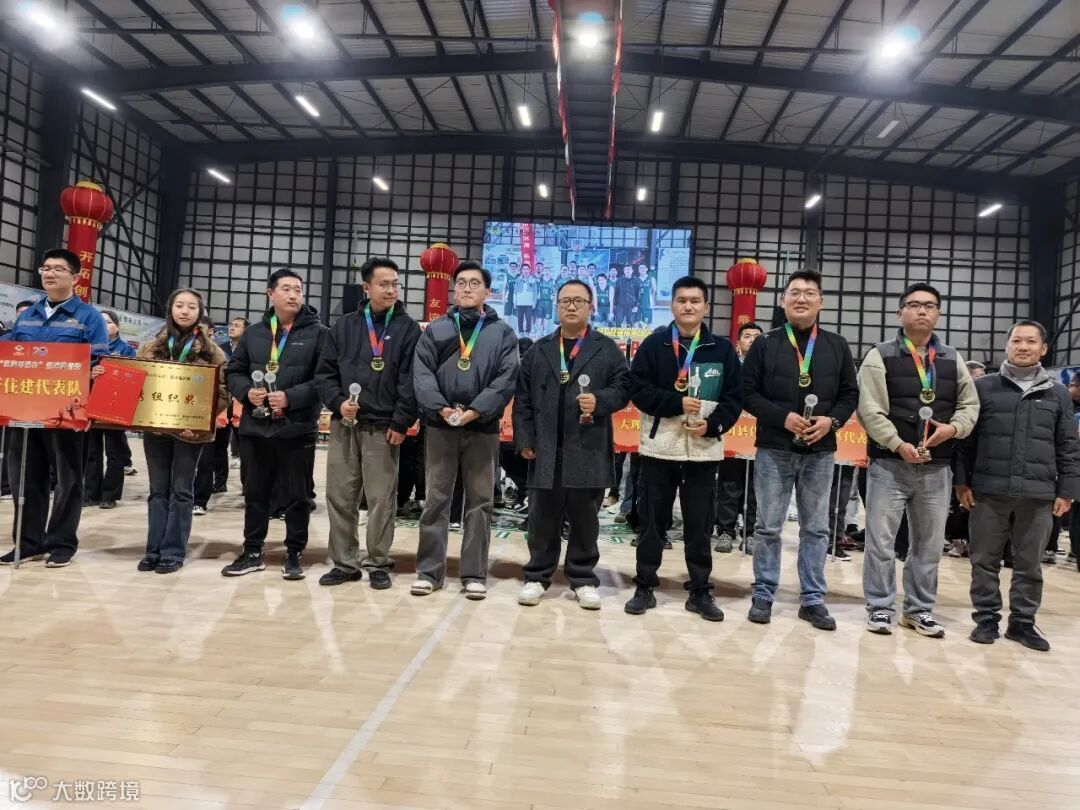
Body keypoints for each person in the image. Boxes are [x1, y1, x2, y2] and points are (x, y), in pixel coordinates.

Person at [857, 283, 980, 637]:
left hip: (936, 468)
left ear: (938, 314)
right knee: (880, 543)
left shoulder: (952, 358)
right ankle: (880, 607)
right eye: (914, 305)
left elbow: (970, 405)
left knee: (928, 545)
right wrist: (897, 444)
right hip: (889, 465)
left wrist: (953, 429)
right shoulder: (879, 355)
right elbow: (869, 410)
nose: (922, 310)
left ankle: (918, 610)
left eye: (929, 305)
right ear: (900, 314)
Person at [742, 269, 859, 630]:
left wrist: (832, 421)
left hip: (820, 450)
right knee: (767, 526)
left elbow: (850, 394)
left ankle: (812, 598)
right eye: (794, 292)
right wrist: (783, 417)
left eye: (809, 292)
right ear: (783, 301)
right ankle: (763, 592)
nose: (802, 298)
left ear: (820, 301)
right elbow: (747, 392)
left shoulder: (837, 345)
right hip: (774, 448)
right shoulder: (765, 344)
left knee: (816, 529)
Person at [955, 320, 1080, 651]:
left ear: (1044, 348)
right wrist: (961, 482)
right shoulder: (983, 388)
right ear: (1007, 346)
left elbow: (1068, 445)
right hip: (988, 490)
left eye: (1031, 341)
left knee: (1029, 564)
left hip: (1038, 494)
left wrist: (1067, 490)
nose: (1023, 347)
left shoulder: (1057, 393)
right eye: (1017, 341)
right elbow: (966, 442)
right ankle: (986, 618)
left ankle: (1022, 623)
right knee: (984, 560)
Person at [623, 276, 743, 621]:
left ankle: (700, 590)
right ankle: (644, 585)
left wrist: (712, 425)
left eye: (694, 301)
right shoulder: (654, 345)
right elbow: (638, 390)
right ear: (672, 305)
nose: (688, 306)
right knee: (651, 523)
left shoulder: (721, 349)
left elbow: (735, 398)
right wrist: (677, 403)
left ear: (706, 307)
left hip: (703, 451)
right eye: (681, 300)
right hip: (660, 449)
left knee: (699, 526)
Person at [514, 280, 629, 610]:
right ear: (556, 306)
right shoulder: (539, 350)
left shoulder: (606, 349)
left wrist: (601, 401)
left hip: (587, 445)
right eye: (565, 301)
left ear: (591, 307)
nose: (572, 306)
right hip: (546, 447)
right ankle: (537, 575)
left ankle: (582, 578)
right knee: (542, 517)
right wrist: (525, 439)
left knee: (585, 518)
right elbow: (522, 399)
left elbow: (624, 387)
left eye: (579, 301)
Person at [411, 260, 519, 599]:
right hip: (440, 425)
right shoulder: (437, 329)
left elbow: (506, 378)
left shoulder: (502, 333)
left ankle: (473, 574)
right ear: (454, 290)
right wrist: (441, 408)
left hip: (482, 427)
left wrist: (476, 411)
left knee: (480, 502)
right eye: (462, 283)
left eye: (475, 283)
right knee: (436, 500)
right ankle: (429, 572)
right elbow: (422, 375)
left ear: (487, 292)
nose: (468, 288)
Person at [315, 257, 421, 589]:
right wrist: (337, 403)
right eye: (383, 284)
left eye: (395, 284)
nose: (391, 290)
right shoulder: (344, 326)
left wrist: (401, 422)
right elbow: (325, 373)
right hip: (345, 424)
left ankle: (378, 562)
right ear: (366, 287)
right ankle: (345, 563)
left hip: (384, 427)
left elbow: (411, 380)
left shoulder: (408, 328)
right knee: (340, 496)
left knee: (381, 499)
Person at [0, 250, 110, 567]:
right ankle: (28, 543)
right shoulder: (27, 316)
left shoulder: (88, 318)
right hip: (24, 410)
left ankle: (62, 543)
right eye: (46, 268)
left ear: (75, 277)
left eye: (58, 269)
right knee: (25, 477)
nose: (49, 273)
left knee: (68, 479)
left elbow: (99, 363)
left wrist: (93, 375)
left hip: (67, 412)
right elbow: (13, 357)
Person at [221, 269, 327, 580]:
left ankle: (294, 552)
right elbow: (234, 371)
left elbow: (324, 379)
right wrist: (246, 392)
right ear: (271, 294)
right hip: (255, 427)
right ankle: (252, 551)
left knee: (297, 495)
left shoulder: (319, 334)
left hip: (296, 427)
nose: (293, 295)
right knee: (255, 493)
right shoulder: (254, 333)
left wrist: (291, 397)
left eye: (298, 289)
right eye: (286, 289)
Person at [136, 289, 228, 573]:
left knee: (182, 490)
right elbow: (137, 384)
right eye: (179, 305)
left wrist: (198, 420)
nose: (185, 311)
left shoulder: (212, 352)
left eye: (191, 307)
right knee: (157, 491)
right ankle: (153, 549)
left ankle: (173, 551)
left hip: (191, 431)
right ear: (171, 310)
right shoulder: (150, 348)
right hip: (156, 430)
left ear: (200, 313)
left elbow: (223, 392)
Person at [714, 321, 762, 553]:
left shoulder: (769, 368)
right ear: (737, 343)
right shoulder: (729, 368)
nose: (752, 340)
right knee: (729, 484)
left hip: (759, 436)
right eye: (747, 336)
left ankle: (751, 532)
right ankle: (725, 530)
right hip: (733, 434)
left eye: (757, 337)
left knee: (756, 487)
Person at [84, 309, 137, 510]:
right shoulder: (88, 347)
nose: (103, 325)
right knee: (92, 451)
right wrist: (90, 372)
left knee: (115, 453)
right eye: (100, 322)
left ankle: (110, 495)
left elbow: (133, 376)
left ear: (117, 326)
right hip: (90, 404)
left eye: (108, 322)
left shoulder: (126, 350)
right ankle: (90, 494)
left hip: (115, 406)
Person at [515, 265, 536, 336]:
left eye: (527, 269)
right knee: (519, 319)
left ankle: (527, 332)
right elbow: (515, 292)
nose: (526, 271)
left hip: (529, 303)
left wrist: (534, 302)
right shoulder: (518, 279)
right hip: (519, 303)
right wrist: (515, 302)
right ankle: (520, 331)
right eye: (524, 269)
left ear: (529, 270)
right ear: (522, 270)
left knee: (528, 319)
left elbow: (535, 293)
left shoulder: (533, 280)